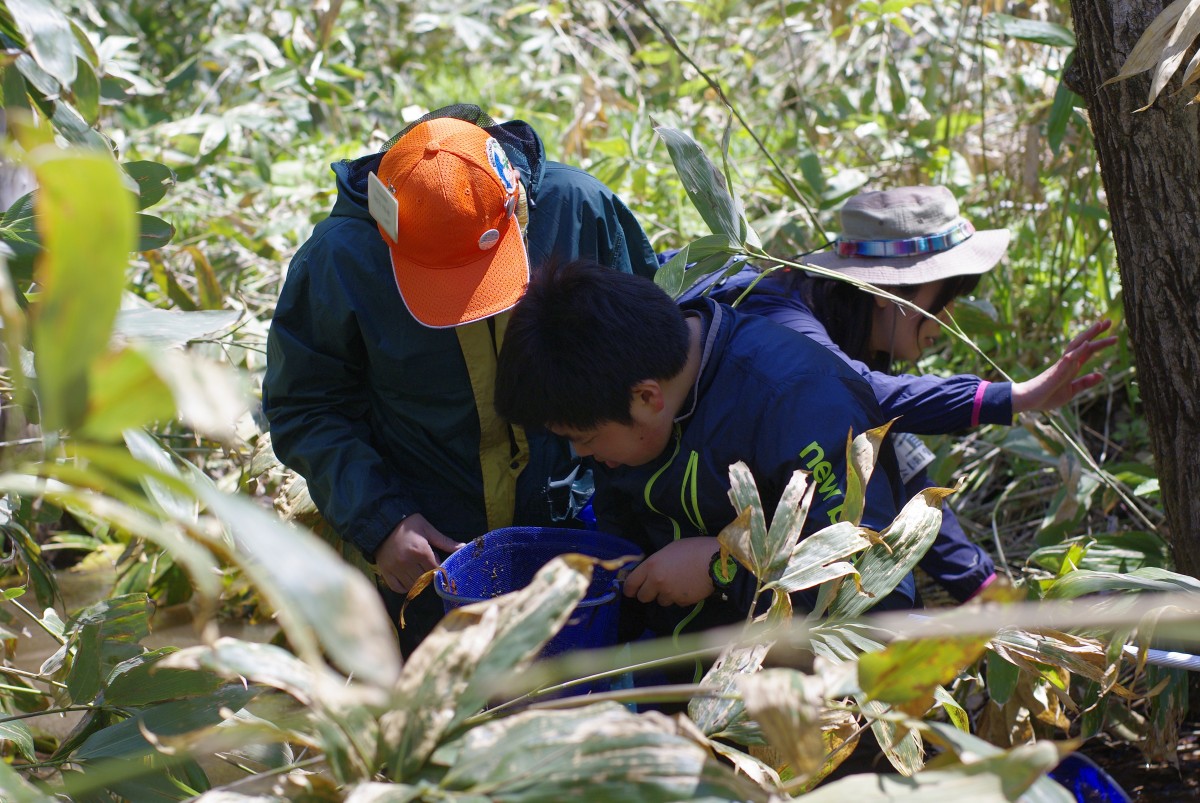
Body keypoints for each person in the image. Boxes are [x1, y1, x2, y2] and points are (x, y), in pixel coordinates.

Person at [262, 104, 658, 655]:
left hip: (578, 525)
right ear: (389, 226)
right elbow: (306, 406)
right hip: (427, 551)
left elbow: (651, 358)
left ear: (514, 201)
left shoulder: (576, 210)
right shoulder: (340, 259)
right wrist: (382, 521)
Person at [690, 185, 1116, 601]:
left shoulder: (853, 328)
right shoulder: (777, 312)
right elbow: (847, 389)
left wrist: (981, 585)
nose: (949, 319)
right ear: (888, 291)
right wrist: (1011, 397)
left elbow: (903, 475)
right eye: (944, 298)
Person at [494, 259, 915, 650]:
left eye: (585, 439)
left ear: (646, 397)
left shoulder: (800, 407)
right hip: (676, 678)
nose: (581, 454)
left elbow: (872, 601)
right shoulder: (621, 384)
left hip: (785, 702)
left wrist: (722, 566)